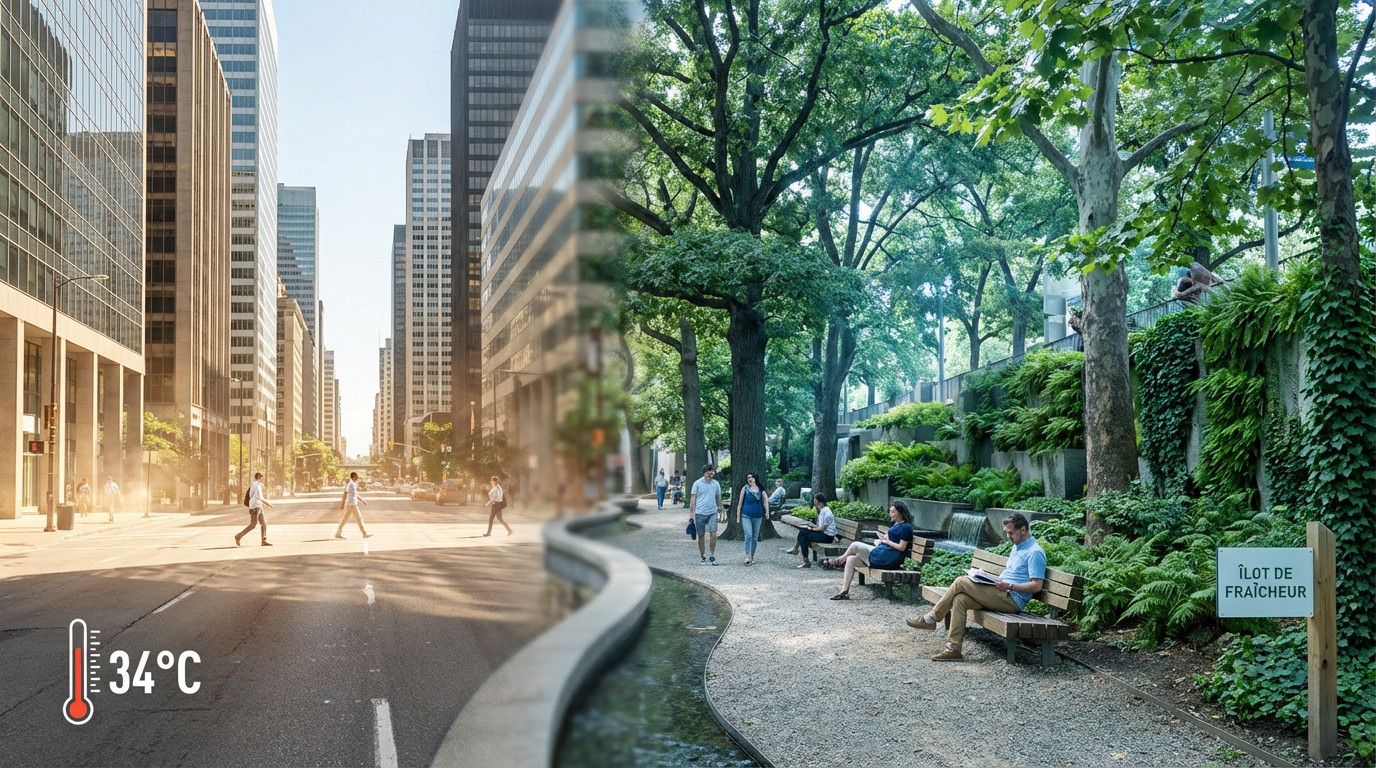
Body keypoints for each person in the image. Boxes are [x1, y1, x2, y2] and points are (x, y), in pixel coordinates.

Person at [906, 511, 1047, 661]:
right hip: (1001, 592)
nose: (1008, 537)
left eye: (1011, 533)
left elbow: (1036, 586)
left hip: (1012, 599)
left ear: (1023, 530)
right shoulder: (1017, 546)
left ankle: (931, 618)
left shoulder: (1034, 552)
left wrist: (1010, 586)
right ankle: (953, 649)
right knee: (960, 599)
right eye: (1006, 533)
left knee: (961, 582)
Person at [824, 501, 915, 600]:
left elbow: (902, 547)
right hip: (882, 553)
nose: (891, 514)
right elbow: (891, 540)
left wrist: (887, 541)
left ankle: (838, 561)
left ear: (901, 512)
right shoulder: (896, 524)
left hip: (888, 558)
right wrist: (883, 538)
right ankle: (844, 592)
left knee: (855, 545)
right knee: (851, 560)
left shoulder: (906, 527)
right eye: (890, 511)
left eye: (893, 511)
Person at [785, 492, 836, 568]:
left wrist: (811, 528)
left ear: (818, 501)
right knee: (803, 530)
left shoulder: (827, 512)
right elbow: (820, 527)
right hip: (824, 534)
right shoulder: (822, 511)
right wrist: (810, 526)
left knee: (803, 534)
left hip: (827, 537)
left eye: (814, 499)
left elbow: (822, 528)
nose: (813, 500)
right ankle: (803, 558)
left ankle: (801, 556)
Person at [688, 464, 723, 565]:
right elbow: (693, 499)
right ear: (705, 472)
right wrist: (691, 513)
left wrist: (719, 507)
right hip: (700, 513)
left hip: (712, 512)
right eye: (709, 471)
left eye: (712, 471)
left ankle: (712, 556)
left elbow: (718, 497)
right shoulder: (697, 483)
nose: (711, 473)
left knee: (713, 534)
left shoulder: (716, 484)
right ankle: (703, 556)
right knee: (701, 536)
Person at [734, 472, 767, 565]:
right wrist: (738, 516)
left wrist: (767, 512)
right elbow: (739, 503)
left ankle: (752, 556)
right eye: (748, 477)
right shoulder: (745, 488)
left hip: (758, 516)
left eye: (752, 477)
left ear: (755, 478)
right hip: (746, 515)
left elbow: (765, 500)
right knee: (748, 535)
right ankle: (747, 555)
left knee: (755, 537)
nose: (750, 479)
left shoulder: (760, 489)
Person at [234, 472, 274, 547]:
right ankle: (238, 536)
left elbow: (252, 496)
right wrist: (268, 503)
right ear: (259, 477)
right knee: (253, 525)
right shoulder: (257, 485)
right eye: (261, 477)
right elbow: (259, 496)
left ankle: (263, 540)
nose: (262, 479)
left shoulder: (253, 485)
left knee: (263, 523)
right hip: (256, 507)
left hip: (255, 506)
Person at [335, 471, 372, 539]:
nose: (358, 478)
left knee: (348, 519)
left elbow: (355, 495)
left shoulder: (353, 484)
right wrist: (342, 503)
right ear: (354, 477)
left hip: (352, 504)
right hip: (351, 505)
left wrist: (362, 500)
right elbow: (345, 493)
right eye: (357, 477)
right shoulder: (351, 484)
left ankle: (338, 533)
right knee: (358, 519)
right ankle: (364, 533)